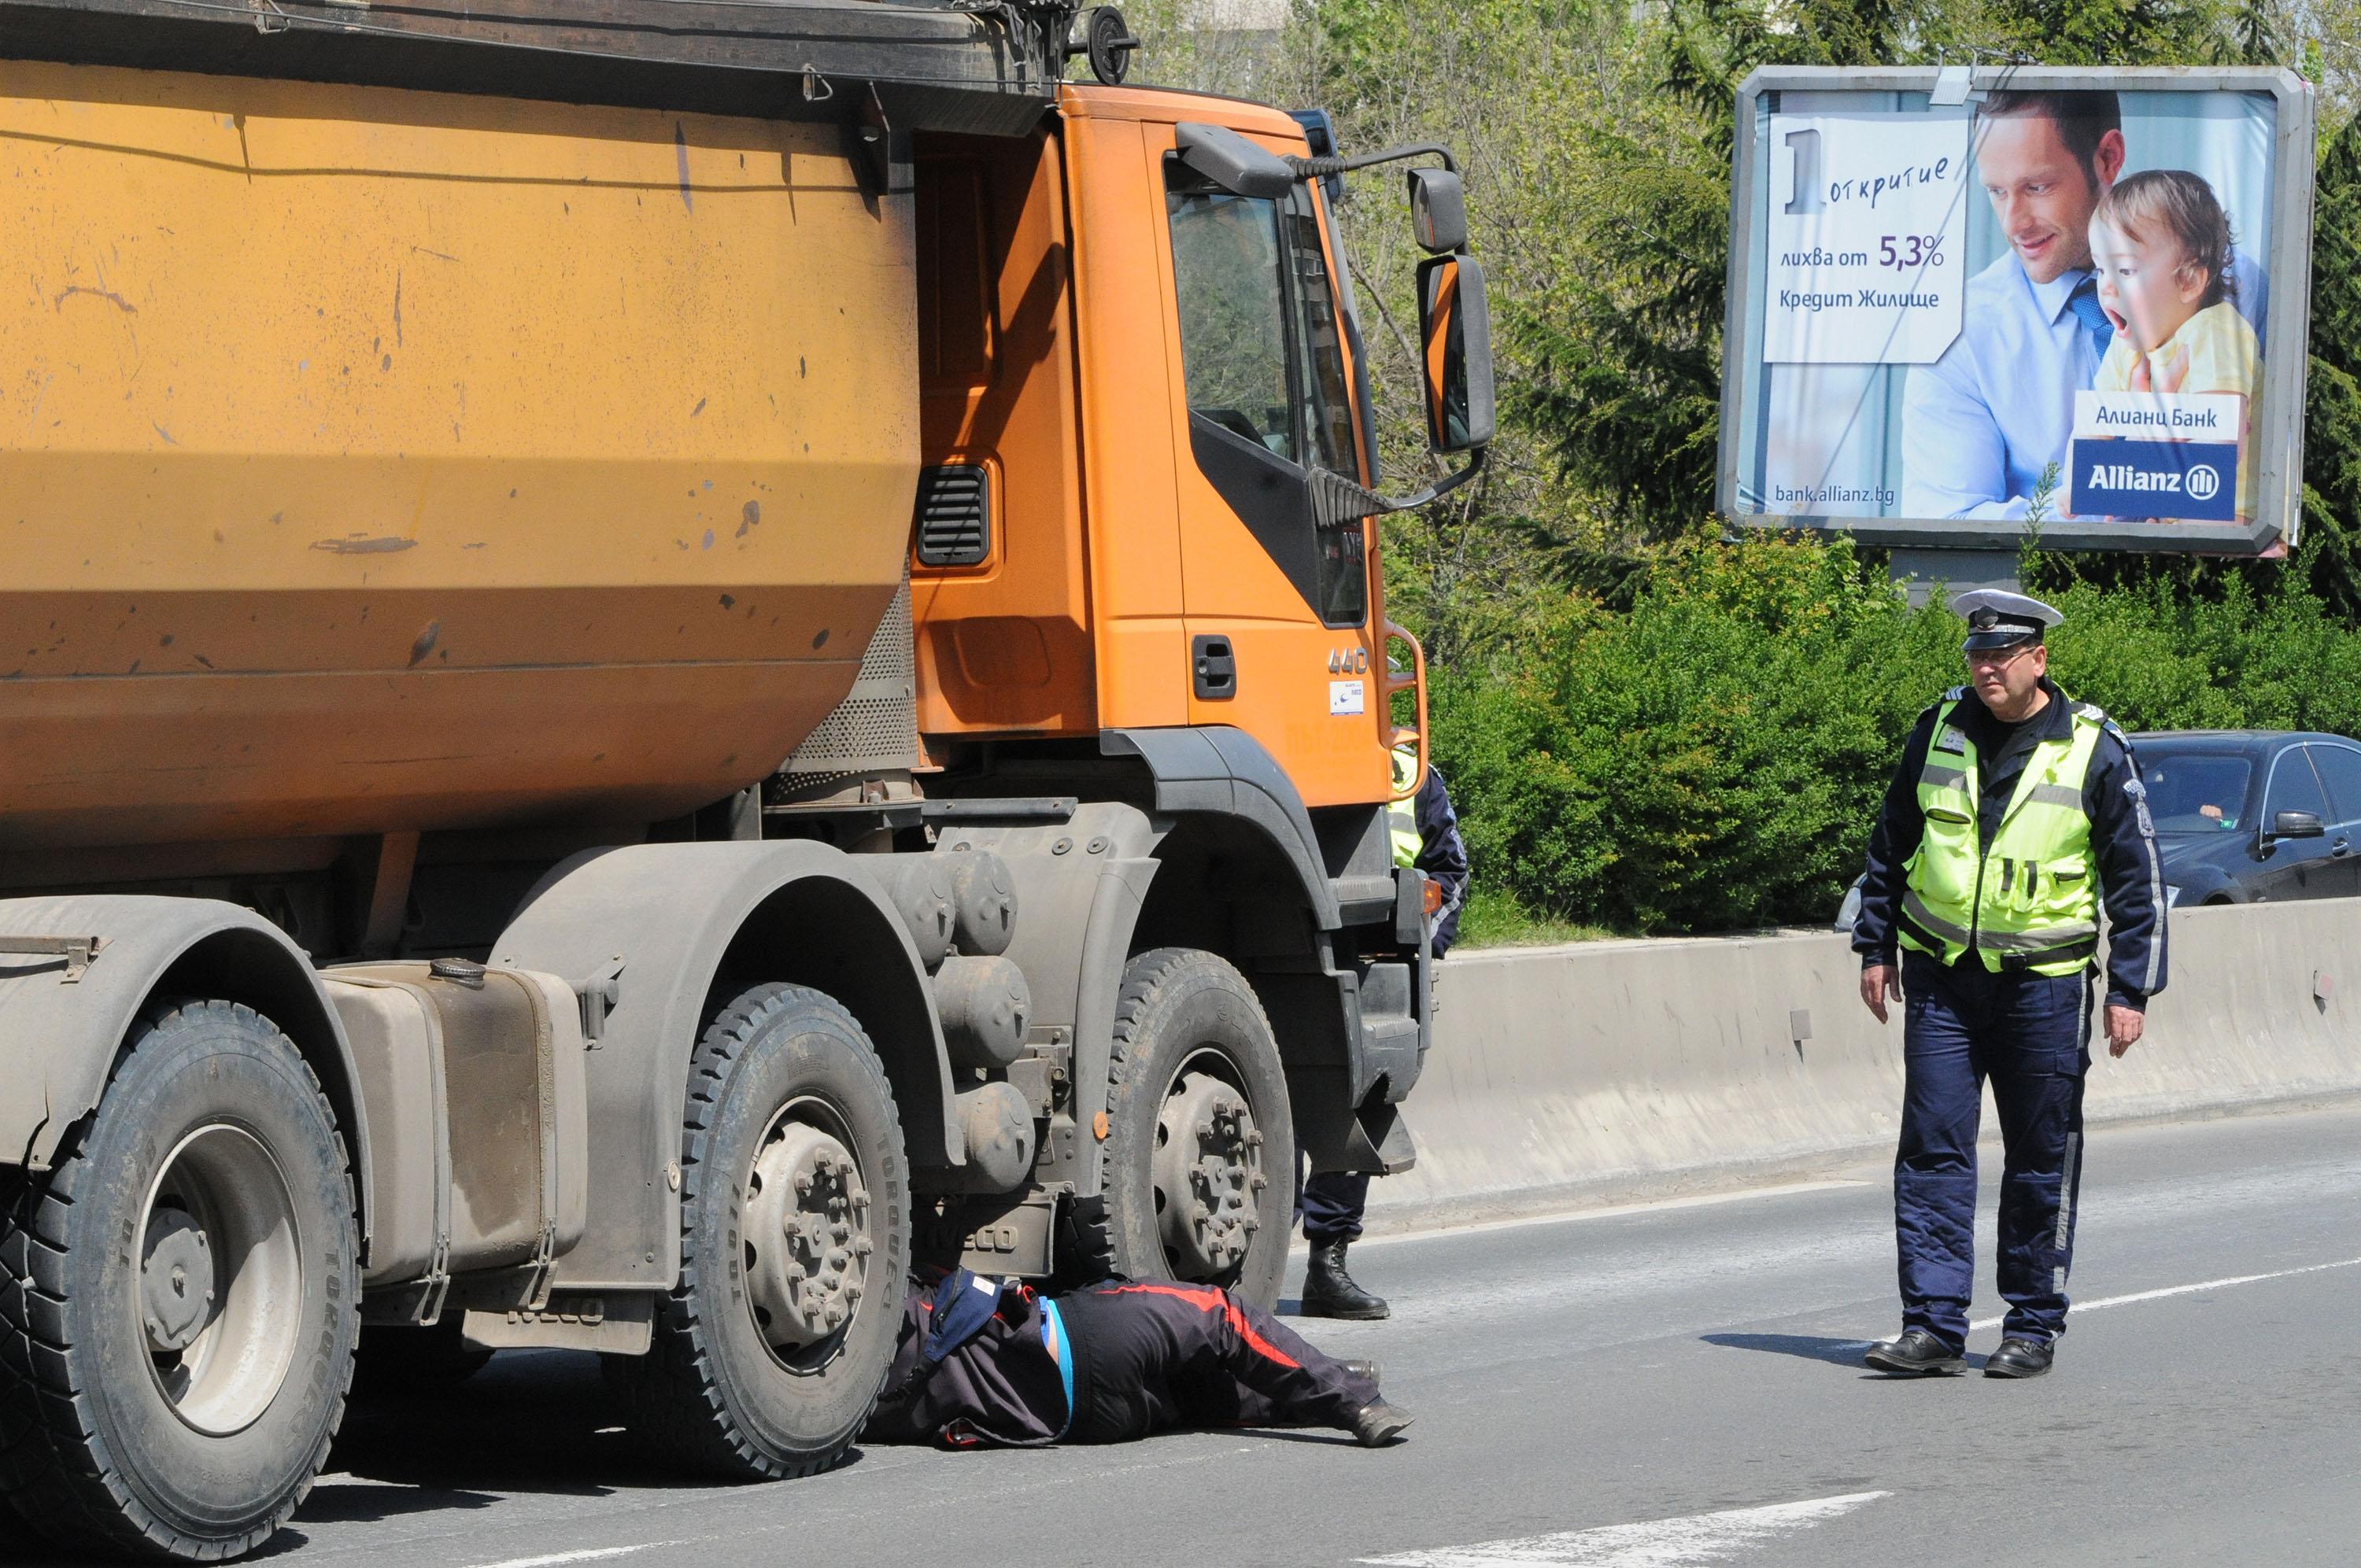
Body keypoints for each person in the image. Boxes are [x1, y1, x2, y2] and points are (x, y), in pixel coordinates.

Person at [1849, 590, 2167, 1378]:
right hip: (1942, 979)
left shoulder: (2092, 746)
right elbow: (1892, 841)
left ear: (2038, 659)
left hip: (2044, 987)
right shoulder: (1938, 730)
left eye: (2001, 655)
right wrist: (1873, 943)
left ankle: (2030, 1325)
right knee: (1931, 1150)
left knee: (2039, 1157)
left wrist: (2131, 989)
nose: (1986, 669)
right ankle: (1932, 1327)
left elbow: (2137, 877)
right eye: (1976, 655)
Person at [1902, 90, 2269, 520]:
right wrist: (2123, 490)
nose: (2013, 222)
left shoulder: (2236, 289)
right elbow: (1946, 525)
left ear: (2109, 158)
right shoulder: (1956, 334)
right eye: (1997, 192)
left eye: (2037, 187)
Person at [860, 1267, 1413, 1449]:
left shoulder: (855, 1407)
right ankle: (1355, 1400)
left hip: (1085, 1420)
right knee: (1222, 1316)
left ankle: (1333, 1378)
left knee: (1202, 1396)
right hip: (1086, 1337)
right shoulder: (888, 1309)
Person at [1298, 742, 1469, 1320]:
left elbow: (1450, 870)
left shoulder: (1411, 770)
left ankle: (1328, 1264)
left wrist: (1419, 944)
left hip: (1379, 963)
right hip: (1292, 955)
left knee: (1358, 1106)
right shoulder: (1286, 747)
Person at [2088, 169, 2262, 519]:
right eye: (2099, 269)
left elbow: (2223, 443)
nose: (2105, 287)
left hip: (2232, 514)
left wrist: (2144, 487)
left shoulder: (2217, 332)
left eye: (2123, 271)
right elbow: (2093, 425)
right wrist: (2079, 483)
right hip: (2170, 509)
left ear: (2189, 281)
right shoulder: (2126, 348)